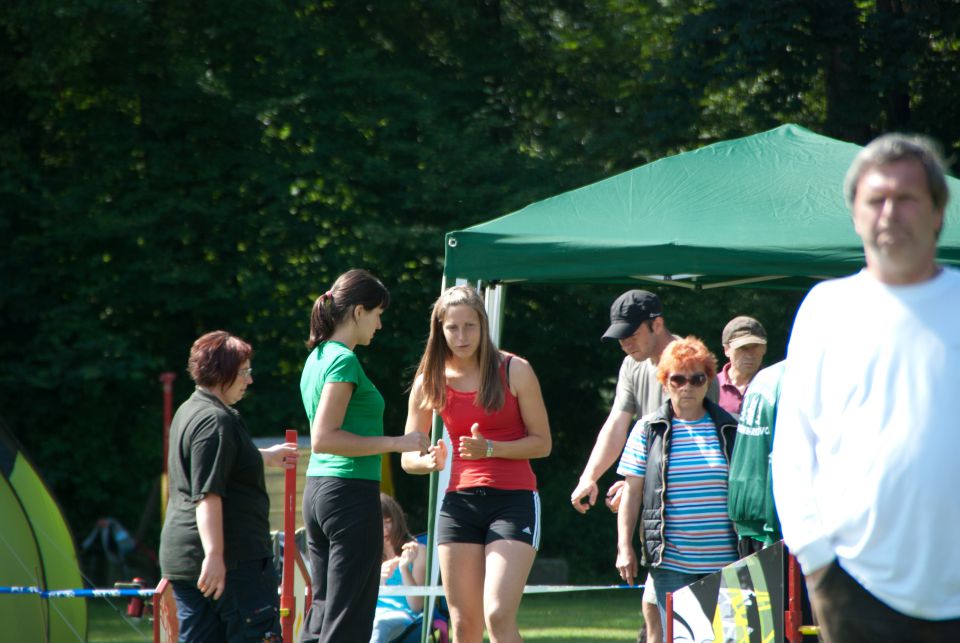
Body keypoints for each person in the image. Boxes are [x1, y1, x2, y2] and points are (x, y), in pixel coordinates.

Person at [771, 133, 960, 642]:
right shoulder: (826, 309)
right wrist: (816, 560)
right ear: (855, 214)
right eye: (876, 200)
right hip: (855, 585)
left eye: (906, 198)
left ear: (938, 212)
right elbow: (793, 448)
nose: (889, 213)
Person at [402, 285, 551, 643]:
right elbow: (408, 455)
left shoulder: (515, 370)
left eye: (470, 326)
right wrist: (428, 463)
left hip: (513, 501)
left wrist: (490, 449)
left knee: (497, 614)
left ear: (483, 327)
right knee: (464, 625)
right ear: (439, 330)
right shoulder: (429, 380)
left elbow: (542, 444)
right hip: (458, 504)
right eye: (453, 328)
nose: (462, 336)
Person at [571, 289, 718, 643]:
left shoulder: (693, 366)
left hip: (698, 533)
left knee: (676, 625)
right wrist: (590, 478)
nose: (624, 343)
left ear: (658, 324)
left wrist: (641, 481)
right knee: (655, 619)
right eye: (619, 335)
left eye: (631, 333)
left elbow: (700, 449)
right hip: (659, 527)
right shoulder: (631, 365)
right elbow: (617, 423)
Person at [299, 269, 429, 643]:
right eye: (377, 314)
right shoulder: (343, 361)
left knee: (324, 609)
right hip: (348, 494)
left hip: (319, 493)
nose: (380, 324)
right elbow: (324, 437)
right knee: (350, 614)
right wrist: (396, 443)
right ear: (358, 312)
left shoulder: (317, 358)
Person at [159, 330, 299, 642]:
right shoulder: (216, 420)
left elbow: (211, 465)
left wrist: (262, 456)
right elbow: (208, 493)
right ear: (222, 372)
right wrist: (215, 555)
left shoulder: (190, 409)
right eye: (244, 372)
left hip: (186, 556)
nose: (249, 380)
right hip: (229, 562)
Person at [614, 336, 739, 628]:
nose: (687, 387)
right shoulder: (647, 429)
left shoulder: (732, 428)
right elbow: (631, 494)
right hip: (671, 564)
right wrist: (624, 547)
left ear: (709, 380)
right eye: (678, 379)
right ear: (664, 382)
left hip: (729, 562)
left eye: (696, 378)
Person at [727, 360, 785, 557]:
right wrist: (772, 528)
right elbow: (780, 458)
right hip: (774, 526)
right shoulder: (798, 380)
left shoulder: (766, 376)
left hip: (748, 518)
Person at [371, 493, 427, 643]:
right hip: (370, 614)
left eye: (389, 522)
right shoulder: (368, 554)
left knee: (378, 625)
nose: (385, 529)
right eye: (379, 523)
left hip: (403, 617)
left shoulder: (418, 551)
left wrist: (404, 568)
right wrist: (379, 577)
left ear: (398, 521)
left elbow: (416, 607)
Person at [716, 316, 768, 418]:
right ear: (727, 350)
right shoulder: (709, 386)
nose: (750, 354)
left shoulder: (774, 386)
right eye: (742, 348)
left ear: (764, 348)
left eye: (755, 346)